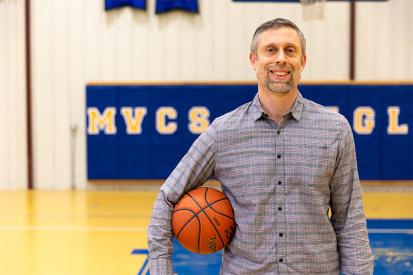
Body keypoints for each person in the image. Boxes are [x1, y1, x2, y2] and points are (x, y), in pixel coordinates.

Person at [148, 18, 374, 274]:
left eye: (290, 50)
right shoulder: (223, 132)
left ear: (303, 62)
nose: (281, 59)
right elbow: (167, 198)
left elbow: (349, 221)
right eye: (270, 50)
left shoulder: (335, 129)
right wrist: (160, 268)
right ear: (254, 61)